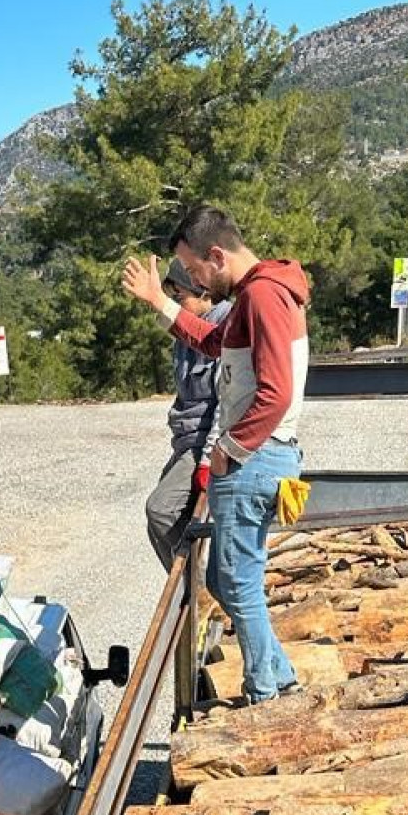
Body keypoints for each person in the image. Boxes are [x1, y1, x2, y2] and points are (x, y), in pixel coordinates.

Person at [123, 205, 310, 702]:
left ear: (215, 255)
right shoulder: (258, 295)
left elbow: (277, 392)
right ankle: (281, 677)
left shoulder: (265, 297)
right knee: (229, 581)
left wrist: (227, 450)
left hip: (256, 460)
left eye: (193, 269)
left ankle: (264, 693)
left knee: (235, 581)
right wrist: (161, 303)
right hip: (259, 458)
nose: (193, 279)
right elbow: (210, 341)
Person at [144, 256, 231, 568]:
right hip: (186, 439)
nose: (175, 305)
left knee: (161, 509)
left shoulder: (225, 325)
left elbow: (227, 403)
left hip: (202, 441)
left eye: (179, 297)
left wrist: (207, 460)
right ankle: (193, 585)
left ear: (205, 291)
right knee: (167, 519)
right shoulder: (189, 330)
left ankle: (196, 585)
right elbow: (172, 322)